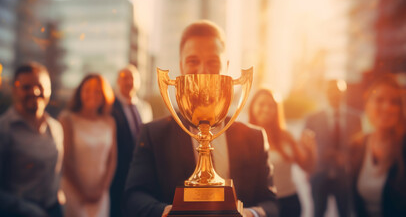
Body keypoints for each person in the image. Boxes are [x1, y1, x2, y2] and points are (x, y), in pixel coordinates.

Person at [123, 20, 278, 217]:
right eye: (193, 61)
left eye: (213, 62)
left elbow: (271, 203)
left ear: (227, 67)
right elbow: (133, 196)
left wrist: (249, 215)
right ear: (181, 67)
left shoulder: (254, 137)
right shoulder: (154, 135)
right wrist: (166, 212)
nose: (203, 71)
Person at [0, 62, 64, 217]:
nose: (34, 92)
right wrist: (28, 210)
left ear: (49, 89)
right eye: (26, 87)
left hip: (53, 210)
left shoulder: (55, 127)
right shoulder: (4, 129)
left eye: (40, 86)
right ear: (15, 90)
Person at [249, 88, 316, 217]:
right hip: (259, 205)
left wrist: (310, 149)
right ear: (252, 106)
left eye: (271, 105)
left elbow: (308, 166)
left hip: (289, 202)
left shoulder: (286, 136)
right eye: (261, 104)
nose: (266, 109)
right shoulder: (245, 137)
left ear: (277, 110)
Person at [59, 74, 117, 217]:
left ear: (104, 95)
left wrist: (101, 190)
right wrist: (83, 193)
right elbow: (66, 160)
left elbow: (112, 159)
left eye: (97, 91)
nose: (92, 94)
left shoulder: (110, 122)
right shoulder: (67, 120)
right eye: (87, 90)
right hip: (74, 192)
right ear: (80, 93)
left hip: (101, 194)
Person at [349, 75, 406, 217]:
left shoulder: (403, 146)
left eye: (394, 102)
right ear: (368, 104)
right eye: (379, 100)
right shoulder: (357, 145)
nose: (387, 107)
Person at [304, 79, 362, 217]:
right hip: (319, 174)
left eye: (338, 91)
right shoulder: (312, 118)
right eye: (331, 91)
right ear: (325, 93)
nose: (334, 95)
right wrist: (309, 170)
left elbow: (359, 149)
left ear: (344, 94)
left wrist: (347, 158)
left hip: (345, 176)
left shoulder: (355, 118)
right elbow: (305, 148)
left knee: (345, 212)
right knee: (318, 212)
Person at [110, 64, 153, 217]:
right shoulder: (110, 108)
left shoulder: (145, 107)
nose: (128, 81)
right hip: (118, 174)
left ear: (138, 82)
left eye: (132, 78)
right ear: (117, 81)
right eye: (124, 78)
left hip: (142, 173)